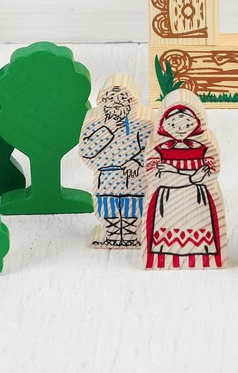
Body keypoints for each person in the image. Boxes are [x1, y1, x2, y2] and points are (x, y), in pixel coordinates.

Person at [143, 103, 224, 269]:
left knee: (197, 227)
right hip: (169, 199)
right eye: (173, 124)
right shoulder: (158, 149)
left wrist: (176, 172)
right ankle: (166, 258)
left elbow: (211, 174)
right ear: (163, 124)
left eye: (187, 124)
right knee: (168, 228)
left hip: (196, 199)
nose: (180, 129)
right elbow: (156, 177)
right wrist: (192, 177)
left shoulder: (204, 148)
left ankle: (200, 258)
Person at [79, 84, 153, 248]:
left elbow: (151, 148)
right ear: (102, 101)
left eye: (122, 98)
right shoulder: (94, 124)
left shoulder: (142, 125)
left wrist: (137, 161)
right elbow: (86, 152)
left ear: (132, 102)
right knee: (108, 209)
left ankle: (132, 236)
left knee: (132, 209)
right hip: (106, 178)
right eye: (111, 98)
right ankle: (111, 236)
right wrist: (107, 129)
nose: (116, 102)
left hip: (133, 178)